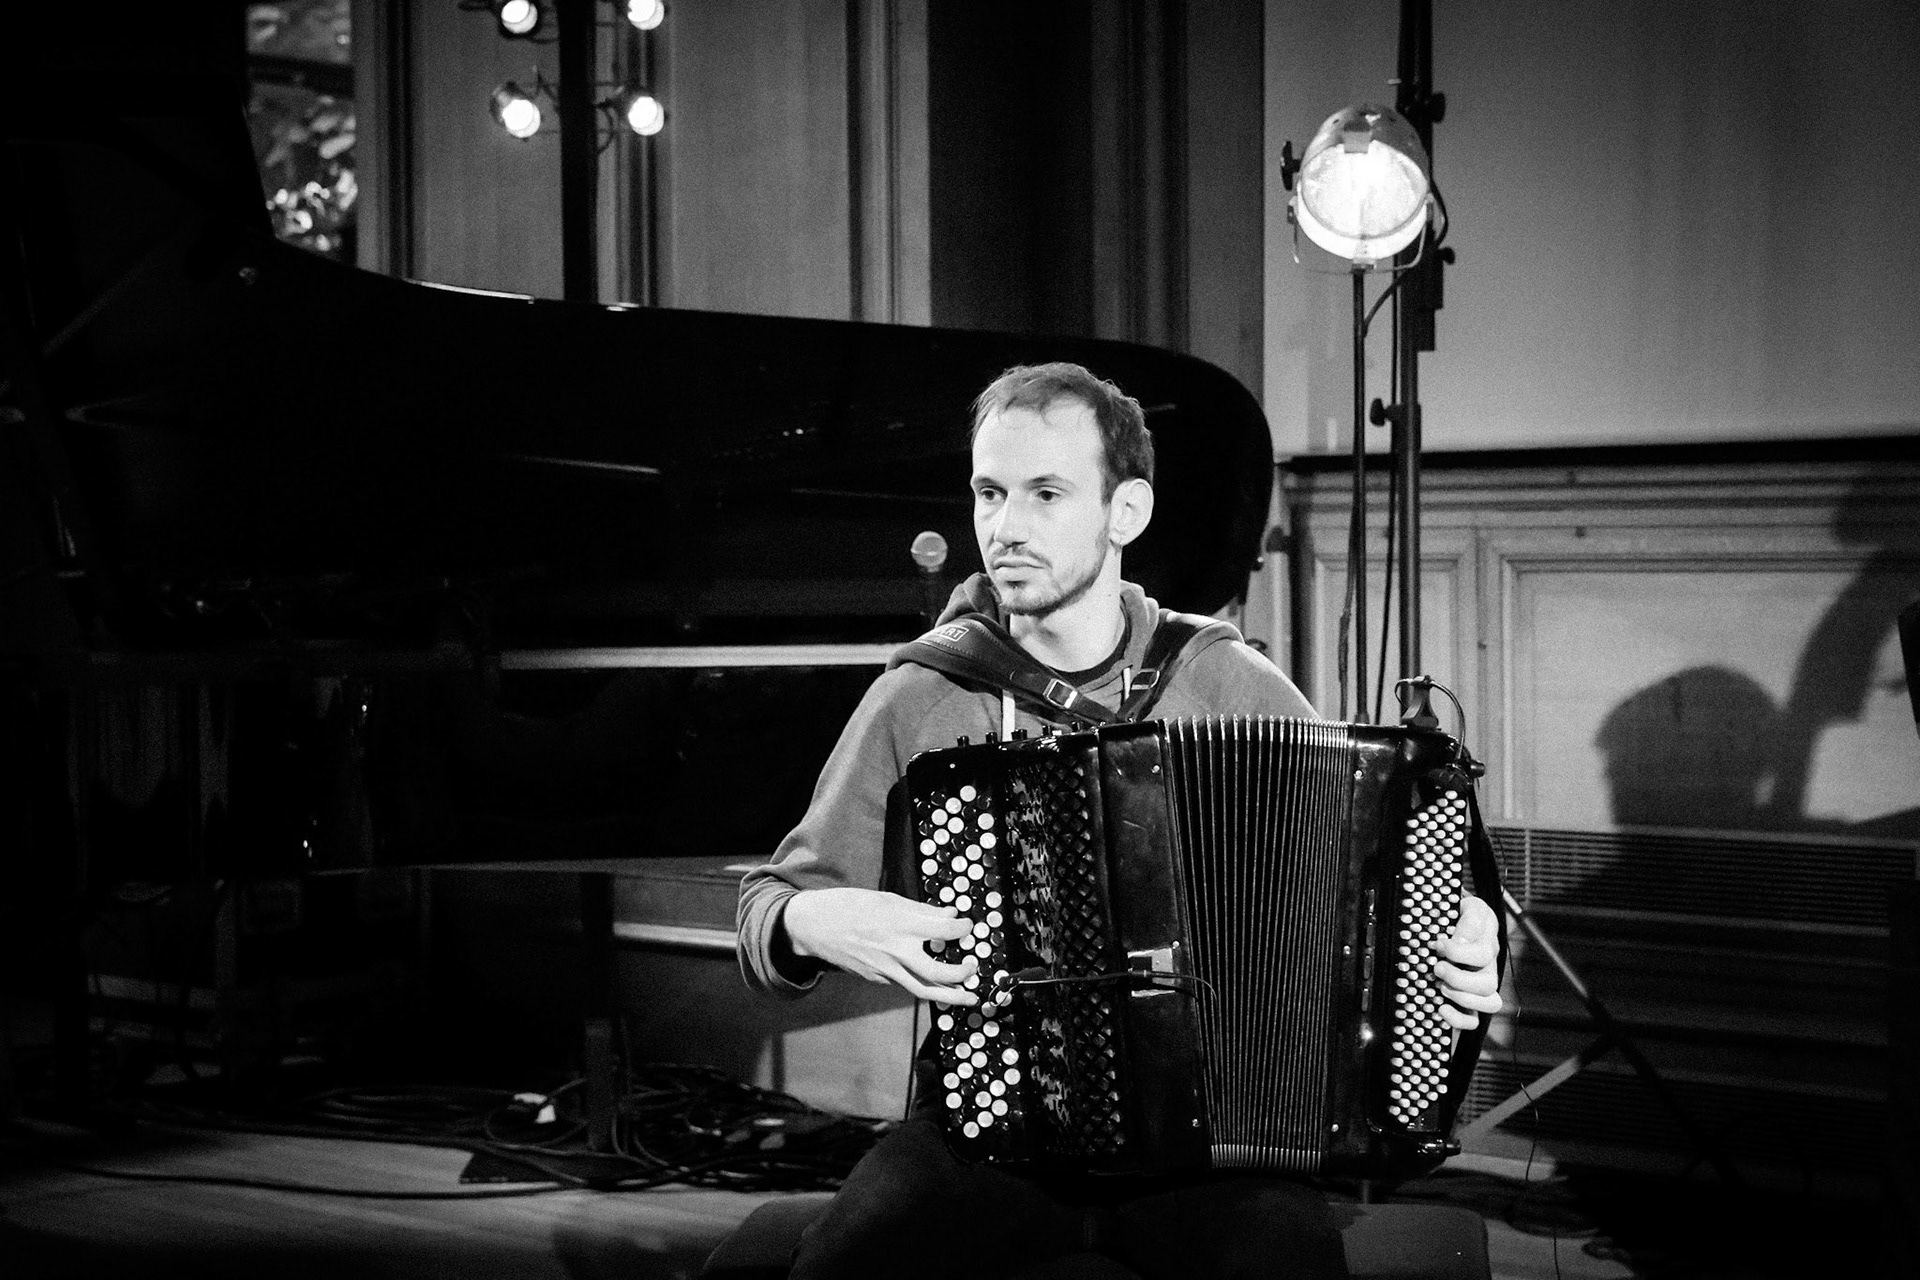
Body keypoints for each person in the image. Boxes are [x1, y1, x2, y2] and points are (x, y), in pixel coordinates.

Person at [737, 363, 1503, 1280]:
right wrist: (812, 919)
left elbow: (1373, 882)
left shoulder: (1228, 682)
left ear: (1126, 511)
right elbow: (770, 905)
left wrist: (1463, 936)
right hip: (989, 1138)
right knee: (842, 1268)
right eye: (989, 492)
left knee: (1286, 1262)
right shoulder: (927, 690)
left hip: (1216, 1149)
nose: (1005, 527)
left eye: (1046, 494)